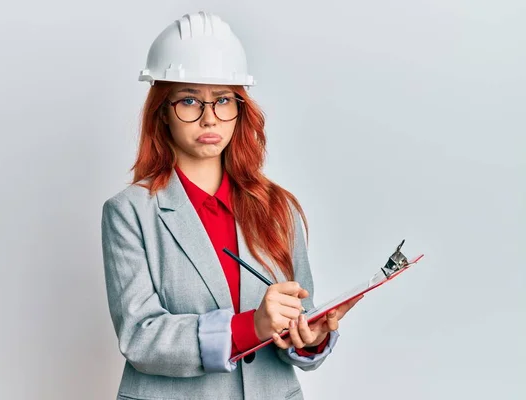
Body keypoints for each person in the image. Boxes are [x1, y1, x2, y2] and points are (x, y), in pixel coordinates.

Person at [101, 11, 362, 400]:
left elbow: (295, 324)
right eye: (189, 101)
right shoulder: (130, 212)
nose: (209, 118)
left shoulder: (278, 206)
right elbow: (141, 336)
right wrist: (248, 327)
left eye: (223, 100)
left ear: (240, 110)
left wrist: (309, 338)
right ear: (162, 114)